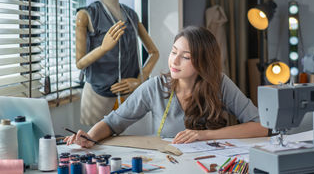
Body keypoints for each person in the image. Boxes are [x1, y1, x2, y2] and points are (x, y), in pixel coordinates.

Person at [65, 26, 270, 147]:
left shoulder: (220, 84)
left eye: (186, 57)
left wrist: (203, 134)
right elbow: (112, 123)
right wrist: (89, 137)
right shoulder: (155, 87)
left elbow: (261, 126)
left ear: (203, 62)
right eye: (174, 52)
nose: (174, 61)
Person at [76, 0, 159, 125]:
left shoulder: (131, 15)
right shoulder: (86, 15)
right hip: (97, 97)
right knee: (95, 145)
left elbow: (154, 52)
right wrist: (103, 47)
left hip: (129, 94)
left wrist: (140, 79)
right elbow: (80, 63)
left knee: (129, 147)